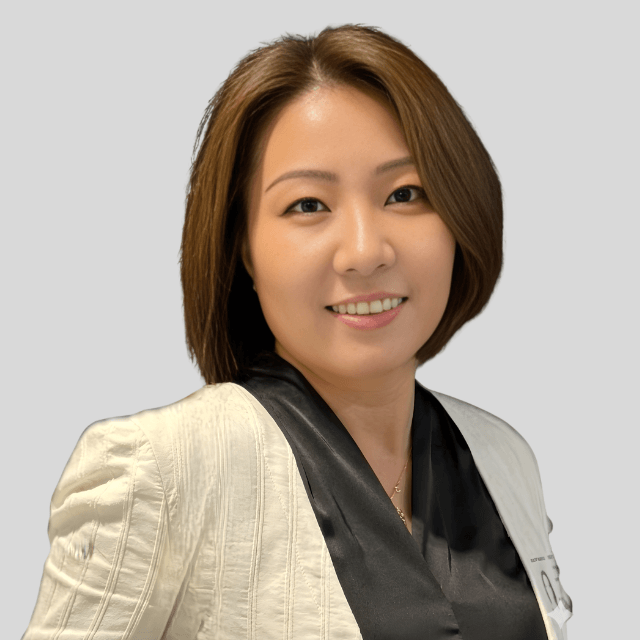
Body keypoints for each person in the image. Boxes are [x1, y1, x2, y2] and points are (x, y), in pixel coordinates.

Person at [22, 23, 573, 639]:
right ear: (243, 250)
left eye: (405, 193)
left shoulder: (501, 458)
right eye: (308, 205)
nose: (364, 252)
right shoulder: (156, 470)